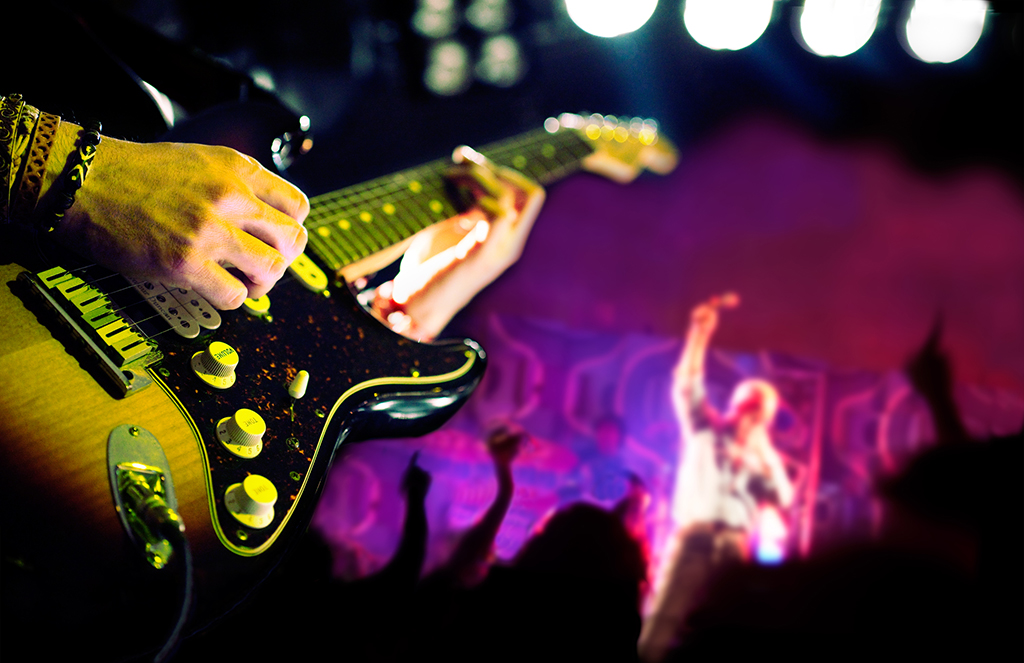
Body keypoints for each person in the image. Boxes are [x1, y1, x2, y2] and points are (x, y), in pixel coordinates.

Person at [637, 292, 794, 662]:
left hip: (734, 544)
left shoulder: (765, 458)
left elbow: (784, 498)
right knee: (665, 616)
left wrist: (762, 447)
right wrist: (699, 333)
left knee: (730, 622)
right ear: (734, 403)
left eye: (760, 409)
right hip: (695, 535)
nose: (750, 413)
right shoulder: (705, 429)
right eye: (748, 403)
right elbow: (686, 383)